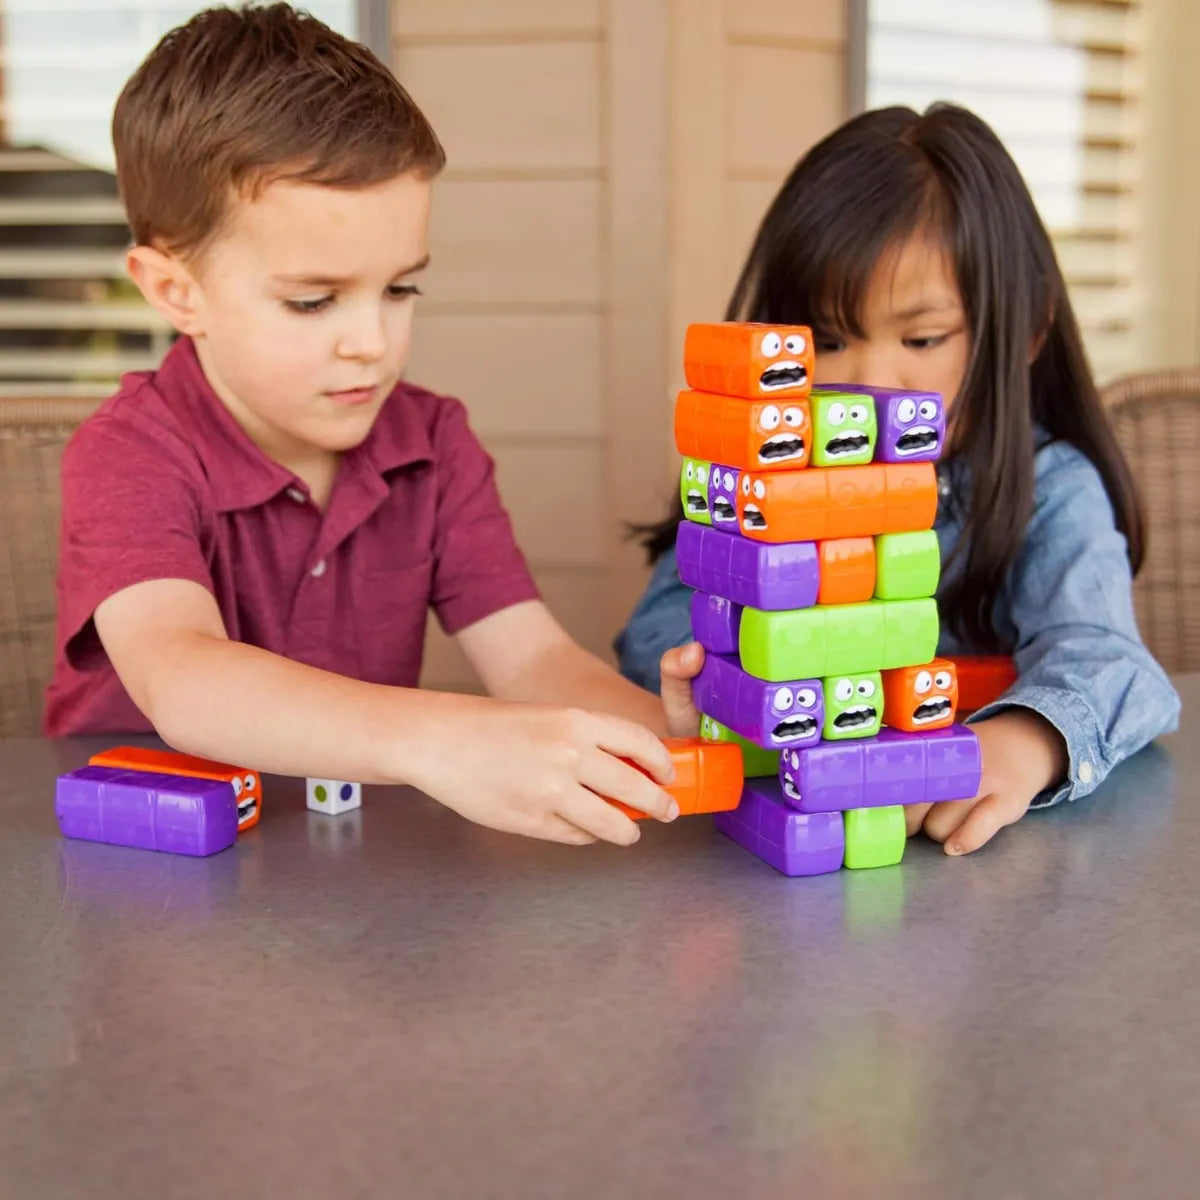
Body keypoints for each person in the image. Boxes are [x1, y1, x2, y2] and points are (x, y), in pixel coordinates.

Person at [44, 3, 696, 847]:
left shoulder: (433, 444)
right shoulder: (130, 451)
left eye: (400, 290)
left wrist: (671, 741)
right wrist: (441, 738)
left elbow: (535, 662)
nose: (372, 344)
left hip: (348, 875)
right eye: (313, 301)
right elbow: (183, 677)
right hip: (135, 871)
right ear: (176, 292)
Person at [618, 103, 1180, 856]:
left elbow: (1112, 663)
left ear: (1026, 331)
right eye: (827, 339)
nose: (870, 384)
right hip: (785, 845)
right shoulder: (767, 484)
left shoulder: (1053, 490)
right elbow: (654, 632)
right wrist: (728, 678)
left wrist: (1023, 743)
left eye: (921, 338)